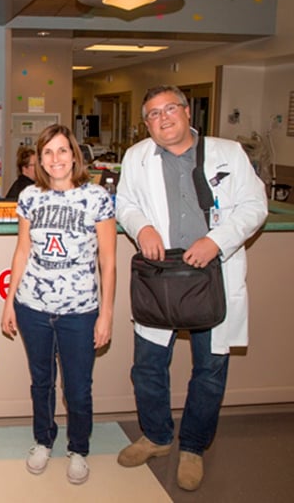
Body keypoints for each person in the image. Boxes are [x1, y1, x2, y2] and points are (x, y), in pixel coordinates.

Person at [115, 85, 267, 491]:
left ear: (187, 112)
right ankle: (157, 436)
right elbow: (125, 203)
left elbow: (255, 206)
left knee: (210, 369)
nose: (163, 119)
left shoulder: (228, 153)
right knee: (148, 365)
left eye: (170, 109)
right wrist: (142, 228)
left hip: (212, 273)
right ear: (146, 124)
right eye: (153, 114)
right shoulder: (137, 157)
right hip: (161, 275)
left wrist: (217, 241)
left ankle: (193, 447)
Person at [0, 124, 116, 485]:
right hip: (32, 307)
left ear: (74, 155)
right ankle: (43, 440)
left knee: (78, 387)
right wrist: (9, 302)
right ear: (39, 159)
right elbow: (22, 251)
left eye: (62, 150)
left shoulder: (97, 198)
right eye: (47, 152)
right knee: (41, 382)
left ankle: (78, 448)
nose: (55, 159)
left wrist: (106, 314)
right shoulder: (30, 197)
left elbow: (109, 261)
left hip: (79, 312)